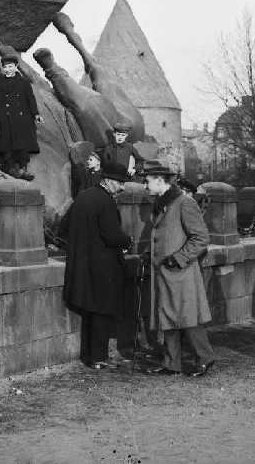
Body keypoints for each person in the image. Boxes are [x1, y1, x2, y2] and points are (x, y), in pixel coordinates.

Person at [138, 159, 215, 377]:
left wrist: (178, 259)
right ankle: (172, 363)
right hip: (164, 272)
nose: (145, 185)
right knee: (168, 317)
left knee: (188, 319)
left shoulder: (184, 203)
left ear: (159, 180)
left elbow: (201, 238)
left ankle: (205, 358)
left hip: (180, 272)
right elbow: (162, 236)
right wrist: (149, 254)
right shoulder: (162, 203)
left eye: (147, 181)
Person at [62, 161, 133, 369]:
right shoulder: (106, 201)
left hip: (82, 264)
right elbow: (112, 235)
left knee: (89, 311)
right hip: (104, 266)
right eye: (120, 182)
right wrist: (128, 241)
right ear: (108, 181)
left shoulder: (82, 196)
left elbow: (64, 226)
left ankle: (89, 356)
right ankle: (99, 357)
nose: (122, 187)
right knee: (102, 311)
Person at [0, 54, 43, 181]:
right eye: (5, 67)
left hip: (22, 118)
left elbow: (31, 99)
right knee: (7, 144)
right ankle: (11, 168)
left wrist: (36, 114)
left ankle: (24, 169)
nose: (7, 69)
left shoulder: (24, 82)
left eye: (10, 66)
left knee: (22, 144)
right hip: (5, 119)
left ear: (15, 66)